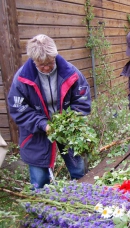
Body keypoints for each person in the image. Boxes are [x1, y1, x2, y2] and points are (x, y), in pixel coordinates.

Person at [7, 34, 91, 188]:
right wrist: (43, 124)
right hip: (36, 132)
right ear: (33, 61)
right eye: (41, 65)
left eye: (50, 62)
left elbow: (82, 99)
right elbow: (19, 110)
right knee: (39, 180)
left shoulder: (71, 73)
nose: (46, 67)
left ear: (55, 56)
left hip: (68, 129)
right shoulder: (21, 79)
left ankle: (84, 201)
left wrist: (71, 120)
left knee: (80, 173)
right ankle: (42, 207)